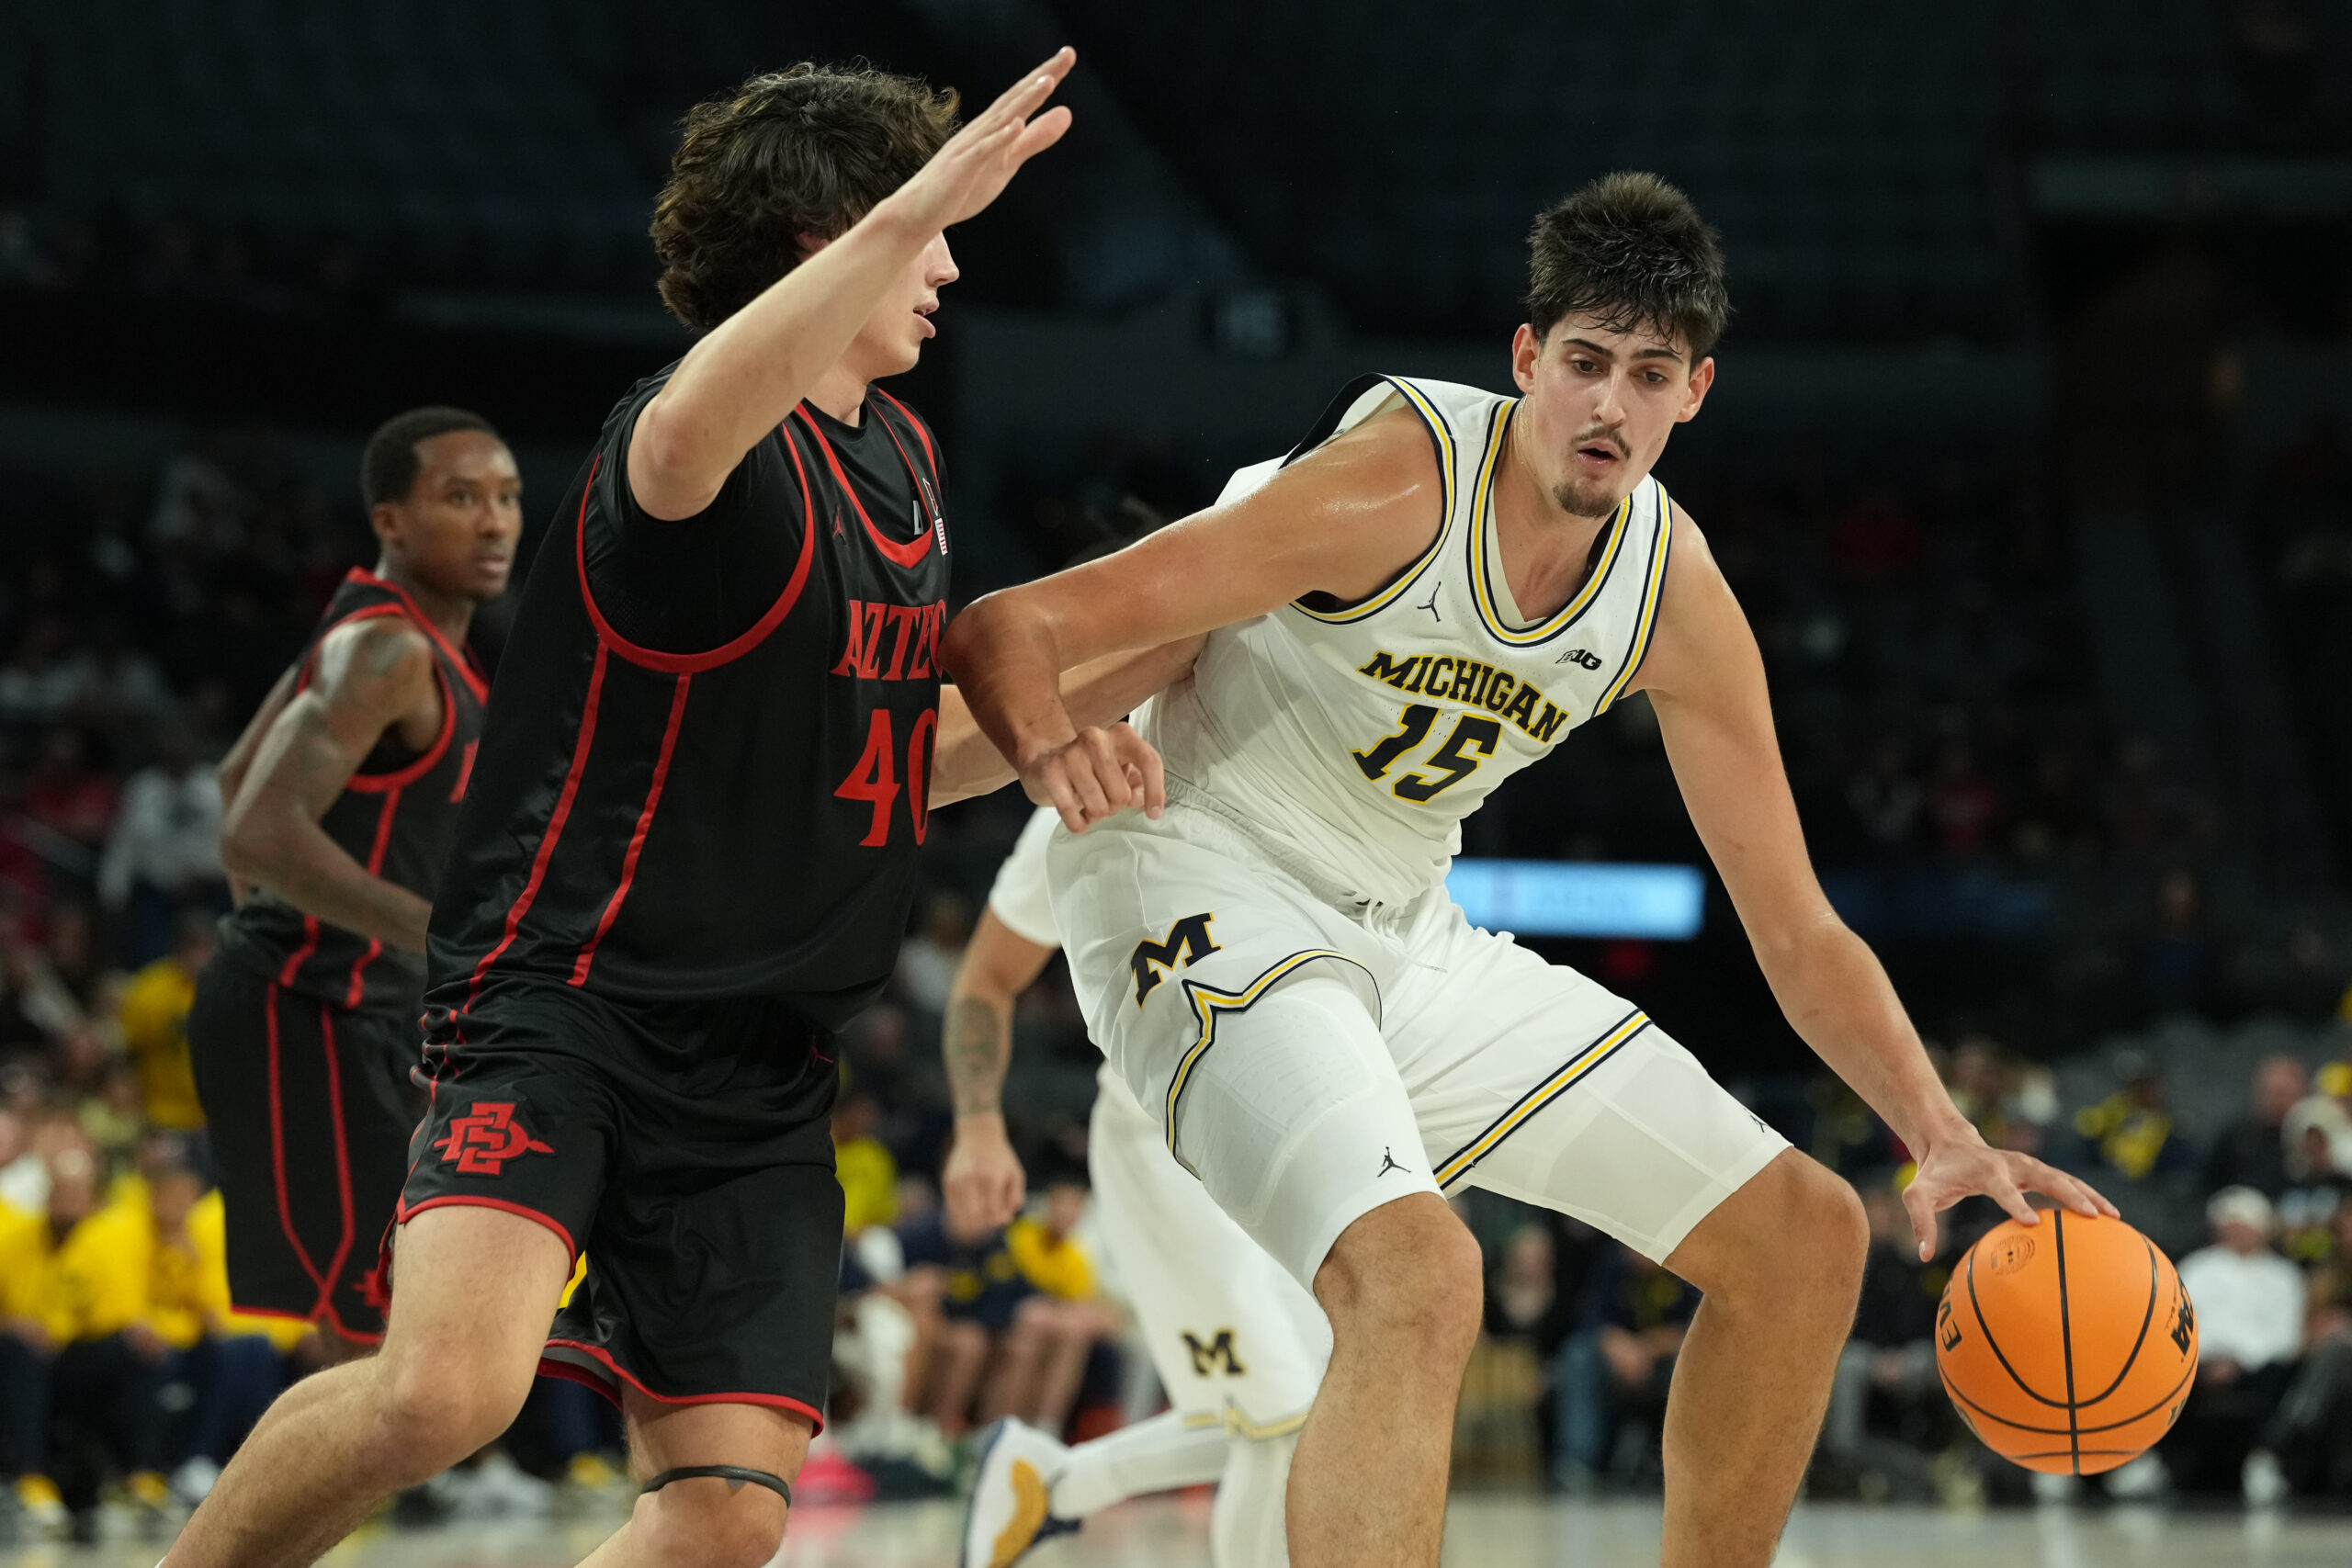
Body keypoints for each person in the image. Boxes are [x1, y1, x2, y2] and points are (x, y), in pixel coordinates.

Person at [940, 171, 2114, 1568]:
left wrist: (1938, 1131)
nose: (1610, 405)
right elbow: (1024, 620)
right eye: (1585, 363)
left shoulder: (1672, 590)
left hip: (1401, 931)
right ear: (1526, 361)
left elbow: (1794, 928)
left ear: (1698, 392)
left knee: (1804, 1236)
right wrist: (1036, 738)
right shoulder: (1395, 479)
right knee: (1420, 1274)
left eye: (1650, 374)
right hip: (1200, 872)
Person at [162, 49, 1184, 1568]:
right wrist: (903, 205)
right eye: (927, 231)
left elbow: (893, 751)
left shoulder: (902, 459)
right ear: (818, 249)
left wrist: (1151, 667)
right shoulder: (685, 454)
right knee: (443, 1389)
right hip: (573, 1005)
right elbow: (704, 408)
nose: (953, 262)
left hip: (762, 1060)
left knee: (722, 1520)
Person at [185, 406, 521, 1359]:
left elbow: (231, 779)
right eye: (460, 499)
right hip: (311, 1008)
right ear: (390, 521)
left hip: (356, 1007)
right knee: (378, 1339)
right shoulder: (387, 649)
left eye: (505, 497)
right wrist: (430, 935)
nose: (494, 521)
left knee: (387, 1335)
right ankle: (251, 1512)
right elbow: (256, 824)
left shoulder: (398, 638)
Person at [947, 806, 1329, 1568]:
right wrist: (980, 1126)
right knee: (1277, 1418)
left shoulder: (1312, 749)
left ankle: (1052, 1484)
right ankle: (1054, 1484)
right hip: (1170, 1140)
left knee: (1316, 1408)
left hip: (1296, 1138)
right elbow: (987, 974)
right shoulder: (1087, 787)